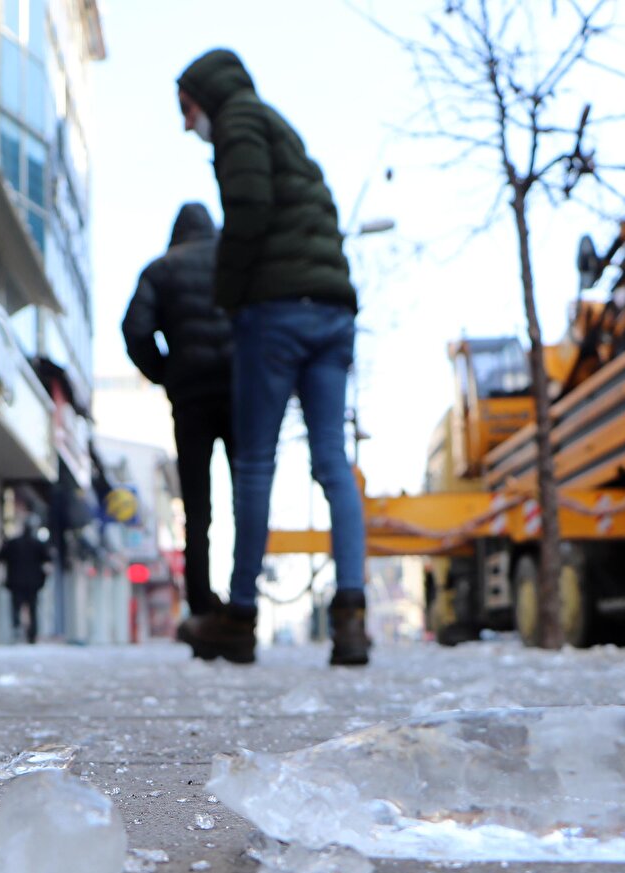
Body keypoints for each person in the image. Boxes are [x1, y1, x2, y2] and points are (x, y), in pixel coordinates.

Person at [173, 48, 369, 667]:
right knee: (333, 463)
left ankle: (238, 618)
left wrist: (230, 296)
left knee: (255, 463)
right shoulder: (279, 126)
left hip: (277, 312)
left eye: (186, 109)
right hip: (334, 313)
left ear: (206, 96)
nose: (186, 125)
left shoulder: (239, 122)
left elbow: (249, 210)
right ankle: (352, 616)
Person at [122, 202, 234, 622]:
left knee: (198, 508)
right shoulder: (234, 262)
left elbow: (134, 330)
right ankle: (244, 602)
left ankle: (202, 608)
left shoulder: (160, 270)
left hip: (191, 399)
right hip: (240, 392)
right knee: (248, 493)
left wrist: (167, 373)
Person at [0, 519, 50, 644]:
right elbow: (48, 562)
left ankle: (16, 631)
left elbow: (0, 557)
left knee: (16, 607)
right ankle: (32, 636)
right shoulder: (38, 544)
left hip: (16, 582)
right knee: (33, 609)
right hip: (33, 583)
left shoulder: (13, 543)